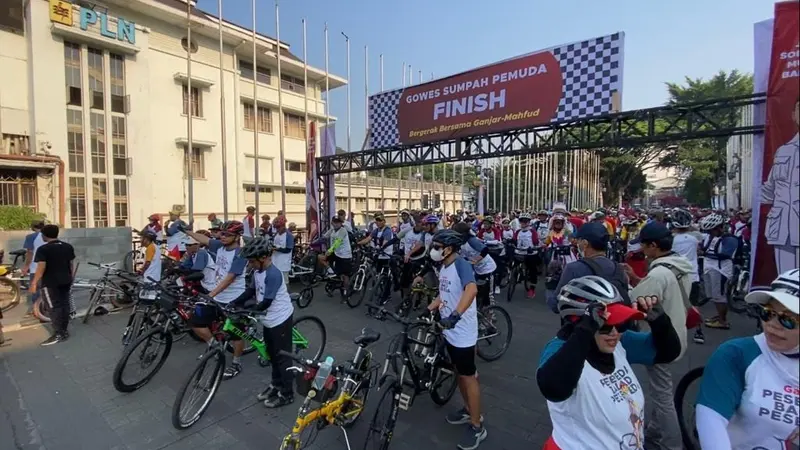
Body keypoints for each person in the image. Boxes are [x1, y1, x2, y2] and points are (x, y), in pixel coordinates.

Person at [537, 276, 681, 450]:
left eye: (620, 324)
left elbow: (667, 353)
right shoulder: (559, 349)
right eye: (604, 325)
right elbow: (553, 388)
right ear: (581, 325)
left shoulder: (620, 342)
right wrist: (584, 332)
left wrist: (660, 323)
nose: (614, 333)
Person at [695, 269, 799, 450]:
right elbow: (710, 418)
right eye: (768, 313)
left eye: (787, 319)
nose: (773, 324)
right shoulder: (738, 353)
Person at [629, 222, 691, 450]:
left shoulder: (658, 274)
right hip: (677, 334)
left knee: (663, 395)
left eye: (644, 245)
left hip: (661, 340)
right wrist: (637, 278)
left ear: (654, 246)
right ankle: (655, 430)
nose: (642, 250)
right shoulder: (679, 266)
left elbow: (636, 301)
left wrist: (631, 284)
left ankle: (672, 444)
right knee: (660, 388)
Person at [427, 229, 488, 450]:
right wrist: (429, 309)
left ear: (449, 248)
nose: (433, 250)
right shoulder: (444, 266)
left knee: (468, 377)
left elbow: (470, 290)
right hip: (449, 330)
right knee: (459, 373)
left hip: (462, 332)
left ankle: (477, 425)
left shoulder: (461, 264)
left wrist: (455, 315)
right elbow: (443, 294)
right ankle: (468, 409)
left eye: (437, 246)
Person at [233, 237, 296, 408]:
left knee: (283, 358)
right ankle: (276, 384)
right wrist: (234, 303)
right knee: (271, 354)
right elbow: (251, 291)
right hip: (269, 319)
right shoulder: (258, 271)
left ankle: (287, 393)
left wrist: (248, 310)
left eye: (252, 261)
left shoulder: (273, 274)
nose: (250, 264)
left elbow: (266, 302)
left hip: (280, 319)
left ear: (263, 258)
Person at [183, 221, 248, 378]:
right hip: (217, 296)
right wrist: (187, 231)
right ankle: (215, 346)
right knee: (195, 321)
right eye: (222, 233)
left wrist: (210, 295)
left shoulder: (240, 254)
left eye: (227, 234)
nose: (223, 237)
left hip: (234, 298)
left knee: (236, 334)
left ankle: (236, 362)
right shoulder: (219, 246)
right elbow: (204, 239)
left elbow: (229, 279)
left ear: (238, 236)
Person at [551, 222, 630, 314]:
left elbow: (556, 305)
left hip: (582, 325)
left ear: (585, 243)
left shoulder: (573, 268)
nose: (577, 243)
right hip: (614, 324)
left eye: (579, 240)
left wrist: (551, 286)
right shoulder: (619, 267)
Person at [761, 96, 799, 274]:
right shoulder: (784, 151)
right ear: (793, 114)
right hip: (782, 228)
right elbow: (770, 188)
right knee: (784, 283)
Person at [31, 224, 76, 346]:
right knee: (64, 305)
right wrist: (70, 277)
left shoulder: (43, 249)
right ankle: (64, 331)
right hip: (66, 280)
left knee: (53, 307)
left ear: (44, 235)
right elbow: (71, 264)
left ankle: (59, 333)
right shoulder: (67, 246)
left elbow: (41, 267)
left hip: (50, 283)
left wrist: (34, 282)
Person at [699, 213, 739, 330]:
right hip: (710, 267)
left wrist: (705, 253)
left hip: (721, 270)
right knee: (713, 296)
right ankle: (719, 316)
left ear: (719, 228)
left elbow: (726, 254)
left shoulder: (730, 239)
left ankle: (723, 321)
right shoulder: (710, 237)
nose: (709, 233)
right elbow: (704, 247)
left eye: (711, 230)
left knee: (720, 296)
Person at [21, 220, 45, 317]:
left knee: (35, 288)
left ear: (33, 227)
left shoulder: (31, 237)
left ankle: (36, 310)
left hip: (36, 267)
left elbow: (29, 254)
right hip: (49, 267)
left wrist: (26, 267)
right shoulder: (49, 236)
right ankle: (46, 308)